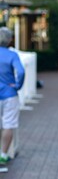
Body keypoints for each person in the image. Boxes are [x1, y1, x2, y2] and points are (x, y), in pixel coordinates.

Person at [0, 27, 25, 165]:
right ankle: (3, 155)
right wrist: (17, 85)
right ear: (9, 40)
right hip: (9, 94)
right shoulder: (12, 55)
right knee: (8, 124)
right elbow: (20, 72)